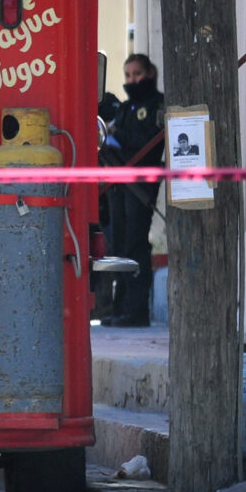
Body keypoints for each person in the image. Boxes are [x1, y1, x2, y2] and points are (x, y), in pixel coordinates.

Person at [96, 54, 165, 327]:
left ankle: (136, 311)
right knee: (119, 247)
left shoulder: (156, 106)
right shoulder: (125, 109)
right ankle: (120, 308)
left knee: (135, 245)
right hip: (118, 186)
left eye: (136, 74)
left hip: (140, 185)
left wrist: (118, 139)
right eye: (127, 75)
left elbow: (147, 141)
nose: (131, 80)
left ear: (149, 73)